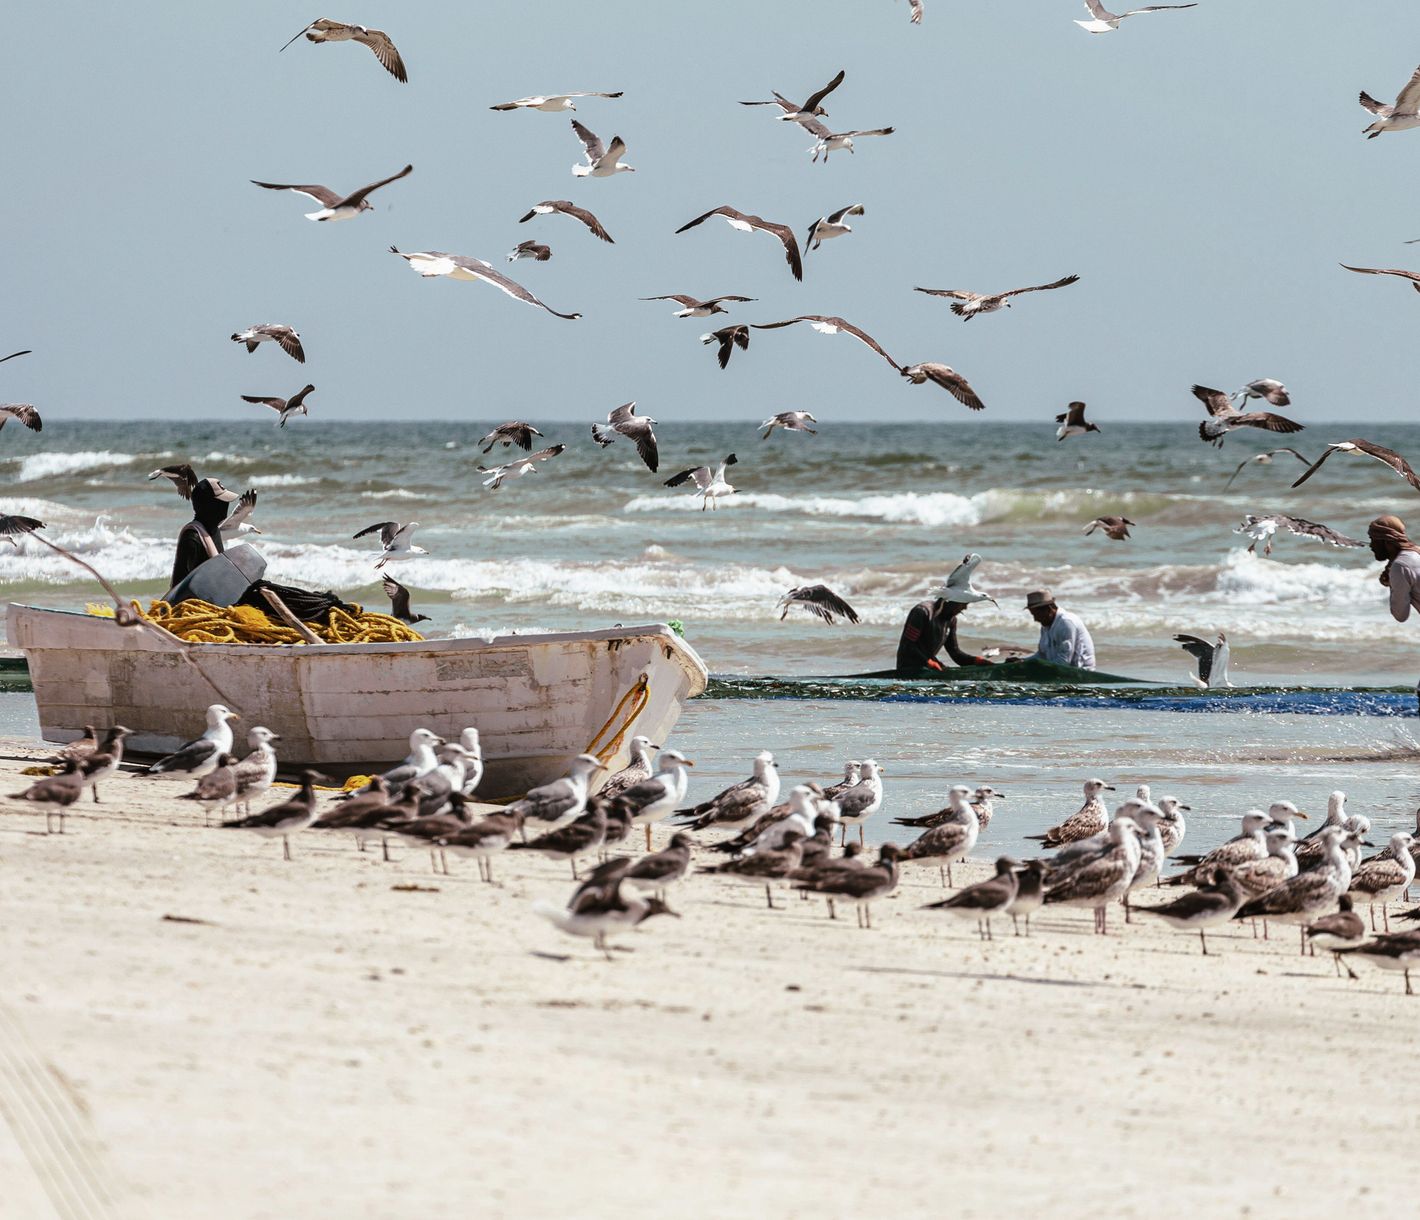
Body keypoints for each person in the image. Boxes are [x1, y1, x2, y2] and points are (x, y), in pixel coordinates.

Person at [1369, 514, 1420, 711]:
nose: (1371, 546)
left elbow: (1401, 614)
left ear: (1387, 541)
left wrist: (1393, 583)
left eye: (1374, 540)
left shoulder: (1400, 566)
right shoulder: (1416, 553)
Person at [895, 598, 993, 674]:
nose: (965, 608)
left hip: (930, 666)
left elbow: (955, 653)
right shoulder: (922, 611)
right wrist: (927, 662)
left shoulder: (951, 620)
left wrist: (975, 660)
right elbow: (908, 645)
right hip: (908, 667)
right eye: (964, 603)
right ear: (951, 600)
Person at [1011, 588, 1096, 670]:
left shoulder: (1066, 623)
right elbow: (1042, 655)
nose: (1035, 619)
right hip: (1060, 670)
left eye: (1037, 614)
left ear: (1049, 609)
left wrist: (1033, 666)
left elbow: (1064, 662)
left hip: (1081, 672)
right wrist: (1023, 661)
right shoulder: (1046, 625)